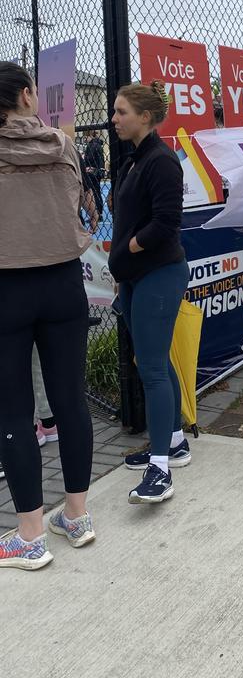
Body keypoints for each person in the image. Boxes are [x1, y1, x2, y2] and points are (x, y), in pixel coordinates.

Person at [0, 62, 95, 569]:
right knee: (70, 400)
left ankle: (29, 533)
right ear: (26, 96)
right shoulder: (64, 146)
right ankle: (76, 515)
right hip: (63, 282)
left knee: (13, 409)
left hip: (7, 285)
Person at [110, 81, 190, 505]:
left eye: (121, 112)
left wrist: (129, 250)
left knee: (154, 369)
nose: (114, 118)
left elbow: (165, 224)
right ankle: (174, 440)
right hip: (138, 278)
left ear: (145, 116)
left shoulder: (161, 161)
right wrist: (124, 269)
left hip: (159, 274)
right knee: (151, 361)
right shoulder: (134, 160)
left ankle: (161, 469)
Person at [84, 130, 105, 221]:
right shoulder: (98, 145)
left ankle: (97, 214)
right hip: (97, 171)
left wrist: (84, 161)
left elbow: (89, 158)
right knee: (97, 192)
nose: (85, 140)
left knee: (93, 193)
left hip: (93, 172)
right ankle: (99, 213)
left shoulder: (92, 145)